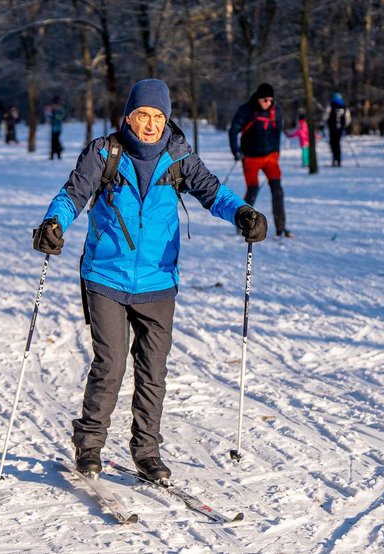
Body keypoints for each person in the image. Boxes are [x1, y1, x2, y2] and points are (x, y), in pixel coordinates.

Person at [33, 78, 267, 480]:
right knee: (111, 366)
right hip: (106, 274)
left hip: (158, 281)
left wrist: (244, 213)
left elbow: (213, 192)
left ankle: (146, 451)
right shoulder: (104, 153)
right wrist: (54, 222)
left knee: (153, 370)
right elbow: (72, 194)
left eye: (159, 116)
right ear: (128, 116)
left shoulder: (178, 158)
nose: (150, 124)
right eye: (143, 115)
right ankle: (89, 445)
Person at [228, 82, 292, 238]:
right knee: (252, 190)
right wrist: (236, 151)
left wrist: (277, 152)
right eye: (265, 100)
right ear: (258, 99)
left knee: (277, 190)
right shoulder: (246, 110)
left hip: (270, 157)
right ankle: (243, 223)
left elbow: (277, 133)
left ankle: (280, 227)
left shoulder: (276, 111)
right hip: (250, 157)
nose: (268, 103)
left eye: (270, 100)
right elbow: (233, 131)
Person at [325, 92, 350, 167]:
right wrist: (345, 126)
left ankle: (334, 158)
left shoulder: (331, 105)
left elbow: (326, 115)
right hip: (340, 128)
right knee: (338, 143)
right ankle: (338, 159)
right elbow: (348, 118)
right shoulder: (344, 106)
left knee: (333, 143)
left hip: (332, 127)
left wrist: (324, 123)